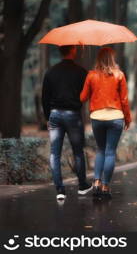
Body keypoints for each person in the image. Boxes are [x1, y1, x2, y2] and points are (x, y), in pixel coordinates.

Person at [41, 45, 92, 201]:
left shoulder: (50, 72)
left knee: (54, 153)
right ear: (73, 51)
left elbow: (45, 97)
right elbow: (88, 93)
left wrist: (47, 118)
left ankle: (60, 190)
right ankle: (82, 185)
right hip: (73, 115)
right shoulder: (81, 72)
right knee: (78, 151)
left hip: (55, 114)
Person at [80, 47, 131, 199]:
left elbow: (82, 97)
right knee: (110, 152)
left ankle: (96, 182)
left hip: (97, 117)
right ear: (112, 59)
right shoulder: (119, 75)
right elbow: (124, 100)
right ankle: (105, 186)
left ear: (98, 59)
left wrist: (90, 88)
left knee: (100, 150)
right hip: (115, 117)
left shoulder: (91, 75)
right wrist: (127, 118)